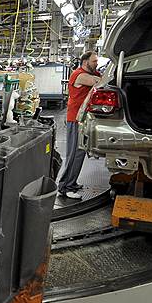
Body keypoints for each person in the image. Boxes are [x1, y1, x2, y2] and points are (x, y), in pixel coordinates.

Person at [58, 51, 101, 199]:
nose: (96, 64)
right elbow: (100, 82)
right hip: (75, 119)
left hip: (83, 119)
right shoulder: (79, 74)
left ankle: (72, 182)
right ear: (85, 62)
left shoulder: (89, 73)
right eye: (94, 61)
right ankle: (65, 187)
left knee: (80, 152)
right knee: (74, 153)